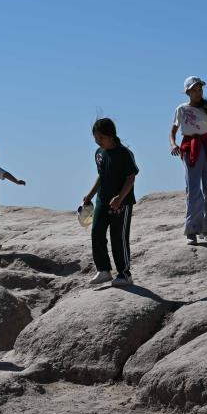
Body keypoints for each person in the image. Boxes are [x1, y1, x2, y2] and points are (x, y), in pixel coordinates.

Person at [169, 76, 207, 245]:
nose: (198, 92)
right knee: (194, 188)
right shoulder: (182, 109)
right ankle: (192, 230)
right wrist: (173, 144)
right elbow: (173, 130)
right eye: (194, 89)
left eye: (200, 89)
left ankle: (206, 227)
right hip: (190, 148)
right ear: (187, 92)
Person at [82, 118, 139, 287]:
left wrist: (119, 198)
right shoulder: (99, 153)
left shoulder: (124, 153)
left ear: (111, 135)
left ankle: (124, 274)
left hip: (122, 202)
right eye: (95, 138)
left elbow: (131, 178)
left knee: (118, 237)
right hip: (102, 199)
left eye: (100, 138)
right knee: (96, 232)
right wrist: (90, 195)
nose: (97, 141)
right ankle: (103, 270)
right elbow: (102, 175)